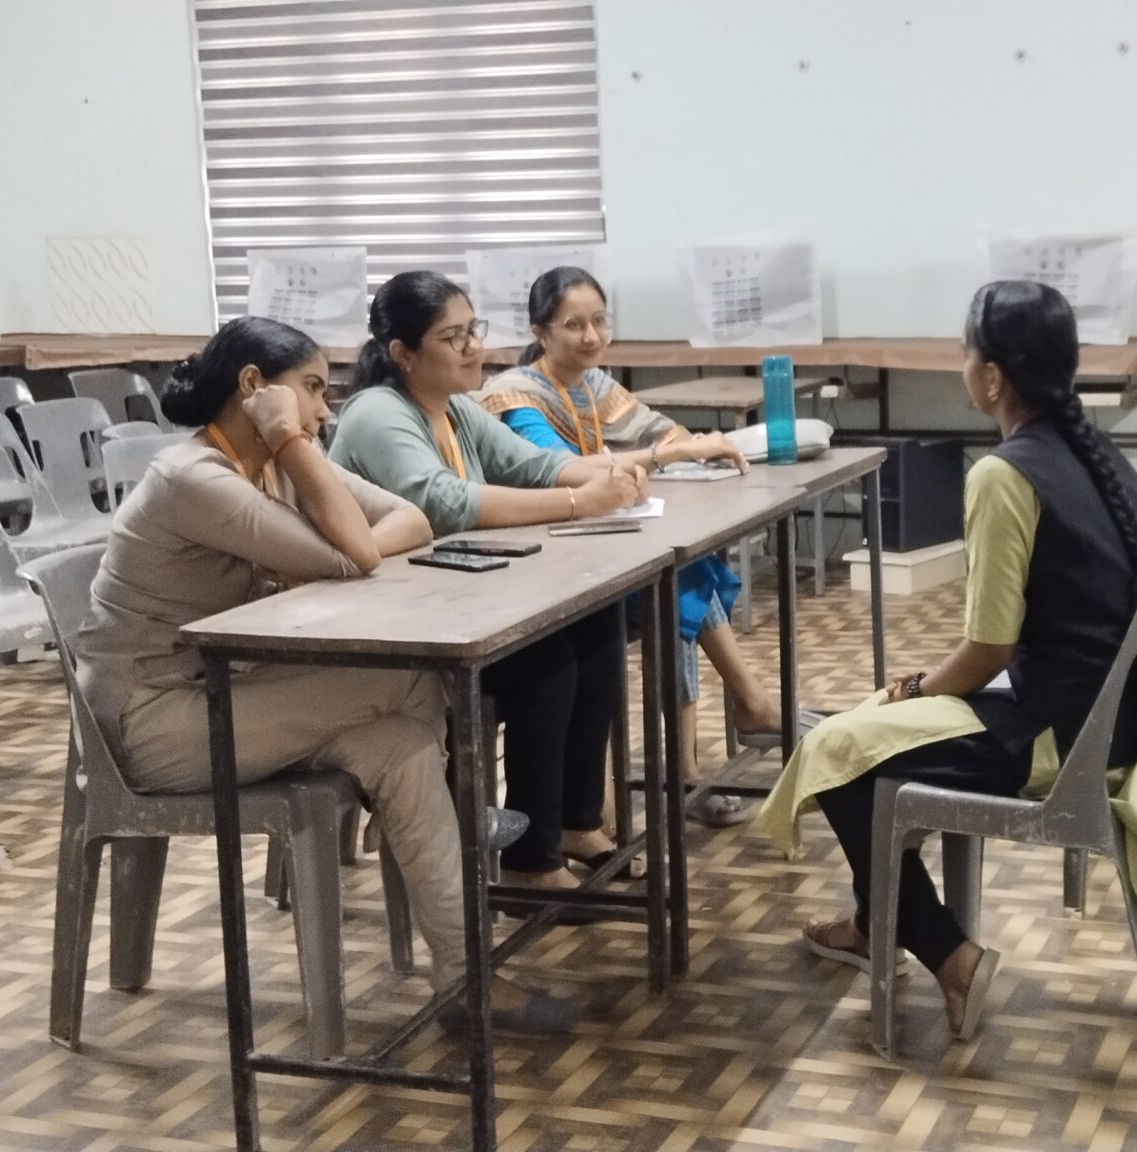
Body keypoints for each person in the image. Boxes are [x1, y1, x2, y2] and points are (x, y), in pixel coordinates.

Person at [74, 315, 574, 1032]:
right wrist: (291, 443)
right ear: (254, 386)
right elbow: (356, 556)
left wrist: (326, 518)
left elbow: (409, 520)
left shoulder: (270, 464)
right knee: (412, 683)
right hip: (147, 724)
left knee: (402, 745)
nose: (323, 411)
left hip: (220, 695)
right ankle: (451, 821)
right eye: (310, 389)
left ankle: (465, 980)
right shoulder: (194, 478)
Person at [755, 281, 1137, 1042]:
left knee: (840, 756)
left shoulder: (1004, 475)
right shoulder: (1099, 456)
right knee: (865, 731)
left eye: (964, 351)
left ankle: (952, 959)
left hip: (1066, 736)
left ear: (992, 377)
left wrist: (915, 688)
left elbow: (988, 649)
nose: (962, 364)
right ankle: (872, 924)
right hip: (1116, 718)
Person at [328, 271, 645, 903]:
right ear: (403, 353)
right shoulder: (378, 413)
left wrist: (614, 476)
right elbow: (445, 503)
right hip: (392, 625)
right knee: (546, 660)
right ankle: (530, 859)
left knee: (596, 626)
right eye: (453, 337)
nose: (474, 346)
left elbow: (535, 464)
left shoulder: (456, 407)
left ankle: (575, 821)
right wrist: (581, 502)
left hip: (454, 603)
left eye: (474, 329)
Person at [478, 266, 783, 826]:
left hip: (596, 544)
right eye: (574, 325)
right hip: (548, 564)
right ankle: (730, 722)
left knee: (680, 570)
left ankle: (703, 750)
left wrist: (691, 444)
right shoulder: (514, 394)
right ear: (540, 332)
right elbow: (561, 467)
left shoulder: (593, 384)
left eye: (599, 321)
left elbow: (659, 429)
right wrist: (669, 455)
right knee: (678, 580)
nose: (591, 336)